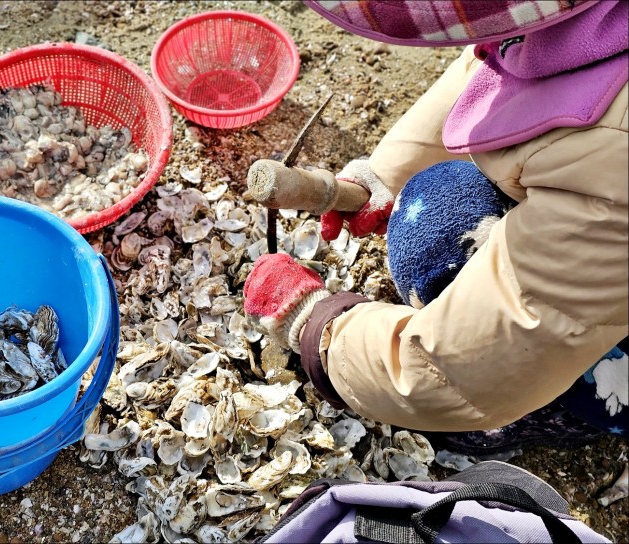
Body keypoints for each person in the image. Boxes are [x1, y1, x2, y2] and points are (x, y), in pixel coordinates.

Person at [243, 0, 628, 455]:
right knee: (433, 213)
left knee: (520, 370)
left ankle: (567, 413)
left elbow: (457, 372)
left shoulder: (611, 170)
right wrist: (389, 172)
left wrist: (314, 325)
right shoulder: (580, 15)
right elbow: (503, 56)